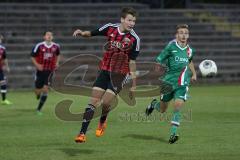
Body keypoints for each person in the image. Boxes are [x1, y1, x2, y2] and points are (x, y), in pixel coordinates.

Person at [73, 7, 140, 143]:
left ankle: (103, 120)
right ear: (122, 19)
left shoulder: (134, 39)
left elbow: (132, 62)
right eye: (129, 20)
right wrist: (81, 33)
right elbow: (92, 33)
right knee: (93, 102)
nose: (132, 23)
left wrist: (134, 84)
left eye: (133, 21)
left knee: (105, 103)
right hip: (104, 71)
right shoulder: (110, 28)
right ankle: (82, 133)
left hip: (120, 74)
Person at [145, 24, 197, 144]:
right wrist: (158, 64)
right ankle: (154, 104)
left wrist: (194, 73)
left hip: (182, 83)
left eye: (185, 33)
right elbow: (160, 57)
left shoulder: (189, 50)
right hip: (168, 82)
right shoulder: (171, 47)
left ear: (188, 35)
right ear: (176, 35)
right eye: (181, 33)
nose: (183, 35)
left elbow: (190, 62)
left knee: (177, 106)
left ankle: (173, 134)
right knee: (162, 109)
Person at [31, 31, 60, 115]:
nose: (49, 36)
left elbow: (58, 54)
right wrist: (37, 65)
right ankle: (37, 94)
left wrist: (57, 62)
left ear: (52, 37)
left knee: (46, 89)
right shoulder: (39, 46)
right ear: (44, 37)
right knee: (37, 90)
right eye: (47, 35)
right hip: (40, 71)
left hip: (50, 71)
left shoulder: (56, 46)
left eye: (51, 35)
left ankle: (39, 109)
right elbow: (32, 56)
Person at [0, 35, 12, 105]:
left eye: (1, 39)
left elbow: (4, 58)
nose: (1, 40)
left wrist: (7, 66)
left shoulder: (2, 48)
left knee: (3, 83)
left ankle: (4, 100)